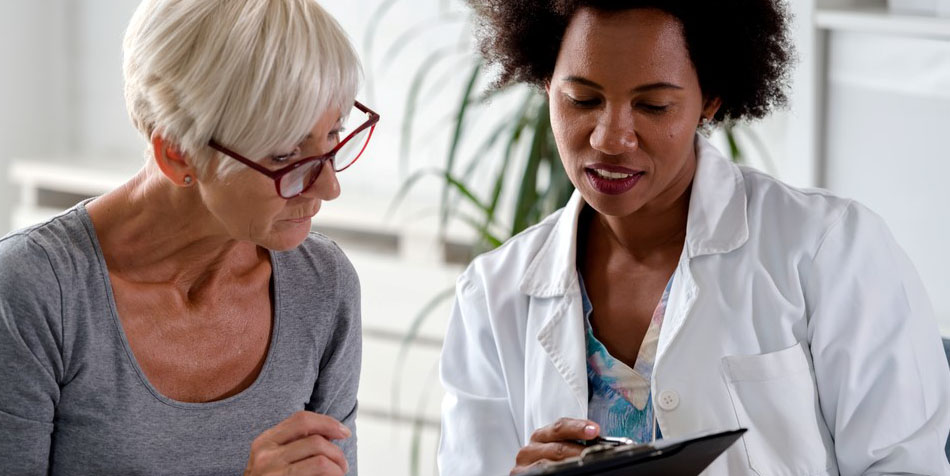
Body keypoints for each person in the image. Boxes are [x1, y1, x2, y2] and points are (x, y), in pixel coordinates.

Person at [438, 1, 950, 475]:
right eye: (583, 99)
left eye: (653, 106)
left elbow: (905, 466)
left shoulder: (829, 249)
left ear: (710, 100)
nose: (610, 138)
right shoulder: (492, 294)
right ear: (547, 85)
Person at [0, 1, 379, 474]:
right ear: (178, 154)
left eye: (334, 136)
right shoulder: (35, 291)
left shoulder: (322, 285)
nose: (329, 187)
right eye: (285, 156)